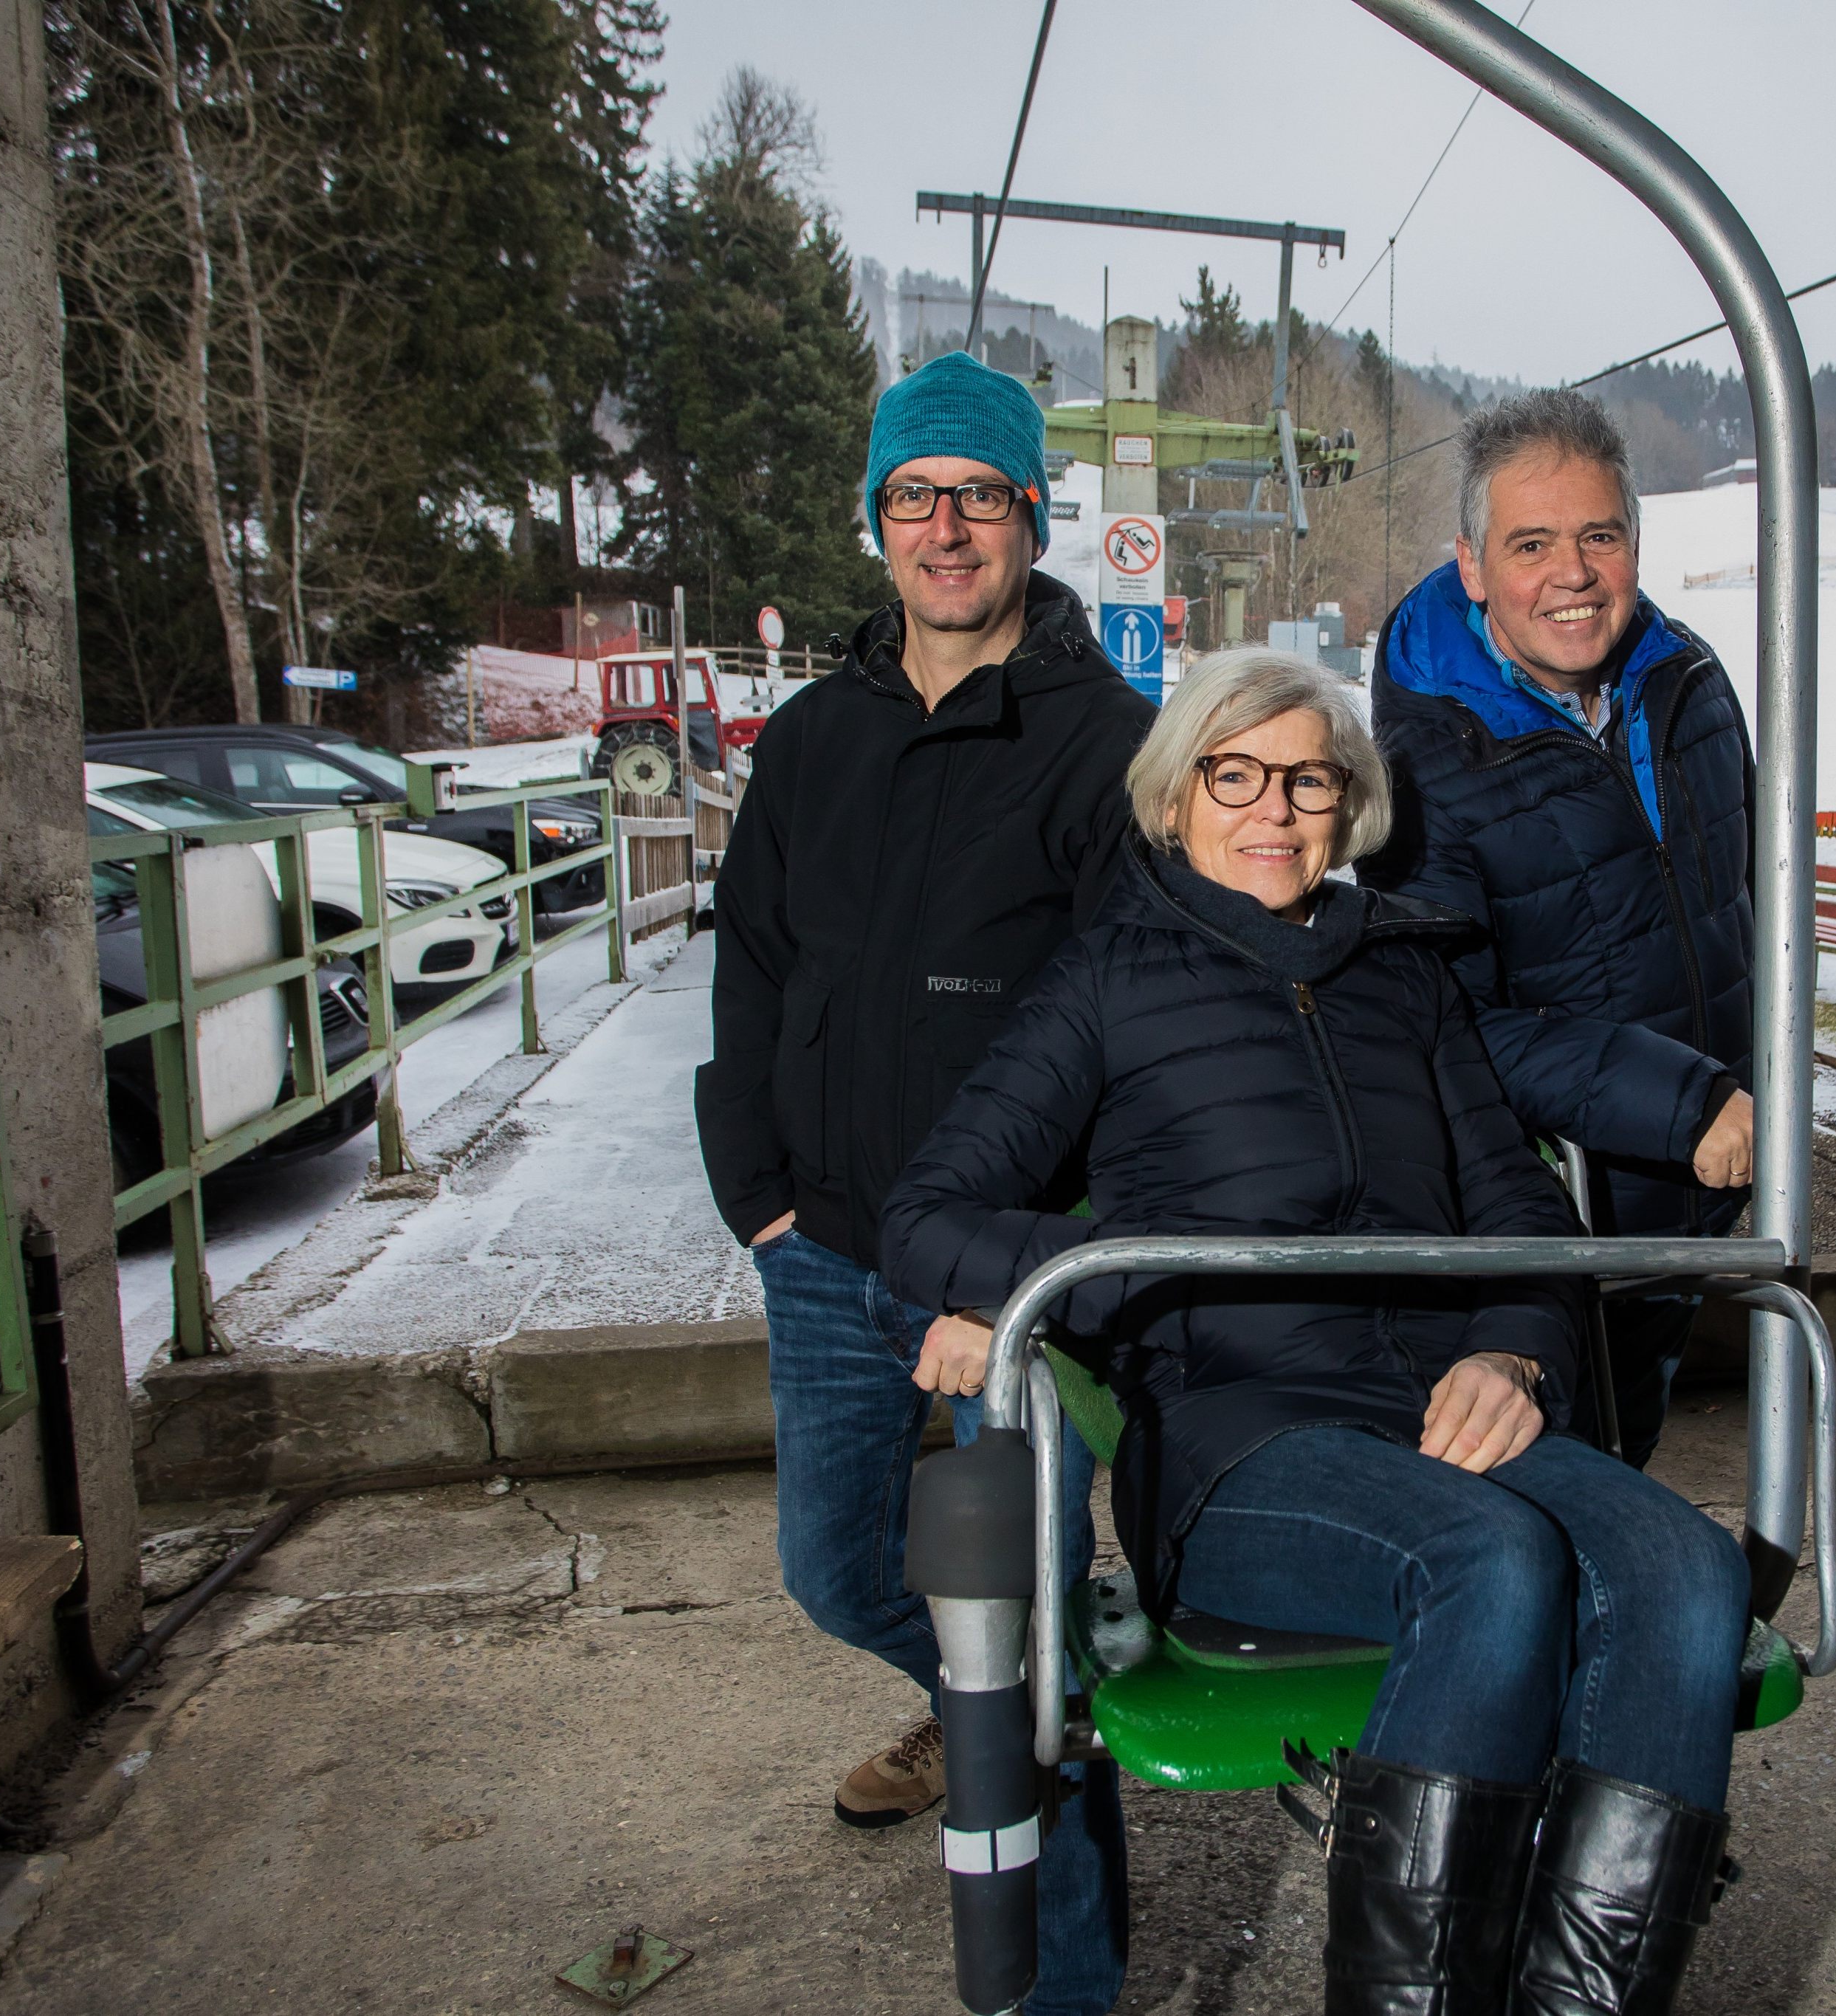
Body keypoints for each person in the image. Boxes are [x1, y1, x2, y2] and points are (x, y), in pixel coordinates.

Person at [881, 649, 1750, 2016]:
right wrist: (1122, 1283)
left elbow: (1519, 1206)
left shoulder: (1405, 979)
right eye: (1236, 774)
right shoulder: (1108, 983)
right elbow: (928, 1213)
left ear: (1347, 804)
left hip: (1442, 1413)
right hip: (1248, 1439)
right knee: (1490, 1562)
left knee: (1689, 1569)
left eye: (1307, 778)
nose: (1273, 810)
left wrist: (1513, 1349)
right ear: (1178, 799)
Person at [695, 348, 1150, 2015]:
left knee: (1014, 1633)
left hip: (1005, 1273)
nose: (945, 528)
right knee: (837, 1568)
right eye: (915, 497)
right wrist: (754, 1186)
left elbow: (1131, 1011)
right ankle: (1005, 1704)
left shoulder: (1107, 744)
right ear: (877, 522)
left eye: (978, 495)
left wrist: (1036, 1254)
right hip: (820, 1242)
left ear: (1032, 517)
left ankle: (1069, 1976)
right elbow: (747, 968)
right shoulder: (811, 741)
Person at [1362, 387, 1758, 1470]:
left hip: (1691, 1192)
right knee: (1550, 1498)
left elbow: (1733, 904)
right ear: (1473, 565)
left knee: (1633, 1445)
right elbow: (1445, 1019)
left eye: (1599, 537)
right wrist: (1683, 1099)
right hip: (1549, 1212)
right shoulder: (1421, 764)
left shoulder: (1689, 687)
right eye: (1530, 543)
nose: (1572, 575)